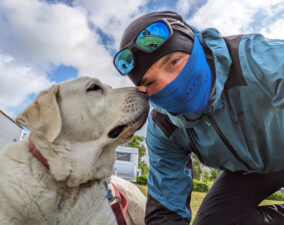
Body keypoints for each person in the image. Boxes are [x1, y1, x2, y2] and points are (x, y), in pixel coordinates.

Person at [113, 11, 284, 225]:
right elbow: (167, 211)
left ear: (196, 47)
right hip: (249, 170)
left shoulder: (254, 59)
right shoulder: (164, 128)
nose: (169, 84)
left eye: (174, 61)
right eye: (150, 83)